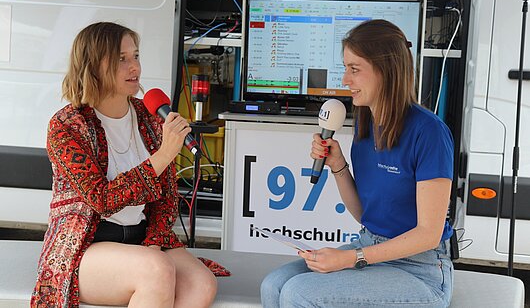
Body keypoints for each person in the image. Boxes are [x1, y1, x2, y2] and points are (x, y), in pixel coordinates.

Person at [260, 19, 454, 308]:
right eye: (345, 69)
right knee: (274, 285)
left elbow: (429, 234)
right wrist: (338, 165)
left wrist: (352, 257)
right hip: (370, 246)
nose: (345, 80)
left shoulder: (429, 132)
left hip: (420, 270)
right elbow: (366, 214)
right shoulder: (366, 128)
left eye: (354, 69)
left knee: (298, 293)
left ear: (385, 71)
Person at [31, 22, 217, 308]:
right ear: (93, 65)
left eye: (136, 56)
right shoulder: (67, 126)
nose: (135, 67)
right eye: (122, 59)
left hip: (142, 240)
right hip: (86, 246)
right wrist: (163, 156)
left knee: (202, 284)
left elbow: (166, 198)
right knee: (156, 270)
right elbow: (102, 200)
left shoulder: (149, 115)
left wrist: (154, 239)